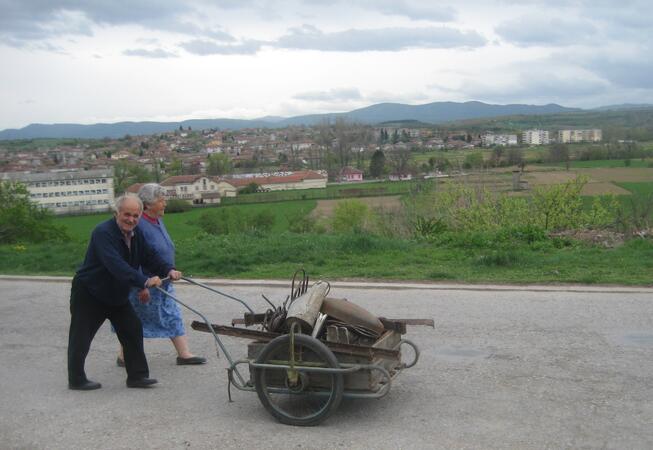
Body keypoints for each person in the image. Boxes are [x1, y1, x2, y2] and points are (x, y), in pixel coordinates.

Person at [67, 193, 182, 390]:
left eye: (135, 216)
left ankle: (137, 377)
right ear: (117, 213)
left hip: (116, 292)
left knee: (132, 329)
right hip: (91, 292)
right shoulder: (103, 233)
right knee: (81, 335)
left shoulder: (137, 234)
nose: (131, 219)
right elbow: (116, 265)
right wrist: (144, 281)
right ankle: (76, 379)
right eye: (126, 214)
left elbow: (150, 257)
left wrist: (168, 269)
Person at [116, 183, 205, 367]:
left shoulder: (157, 220)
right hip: (146, 284)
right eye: (161, 200)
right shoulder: (138, 226)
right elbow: (135, 258)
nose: (165, 204)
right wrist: (142, 285)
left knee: (172, 315)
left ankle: (184, 354)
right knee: (135, 321)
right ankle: (124, 356)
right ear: (148, 205)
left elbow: (159, 252)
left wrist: (170, 269)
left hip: (163, 280)